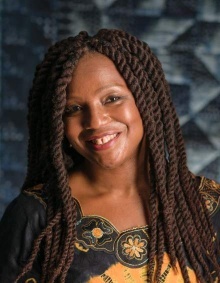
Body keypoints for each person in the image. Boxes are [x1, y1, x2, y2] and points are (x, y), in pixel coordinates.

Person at [0, 29, 219, 283]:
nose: (95, 121)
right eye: (74, 108)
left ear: (146, 100)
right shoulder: (36, 217)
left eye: (112, 98)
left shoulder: (208, 206)